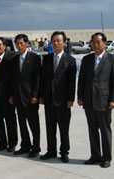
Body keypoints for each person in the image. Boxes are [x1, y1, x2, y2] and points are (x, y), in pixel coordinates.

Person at [77, 32, 114, 168]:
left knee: (105, 130)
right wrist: (80, 97)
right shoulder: (87, 59)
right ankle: (95, 155)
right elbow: (82, 80)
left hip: (104, 101)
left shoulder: (112, 59)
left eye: (98, 42)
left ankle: (106, 157)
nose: (95, 45)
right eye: (93, 42)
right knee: (92, 130)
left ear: (105, 44)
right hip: (89, 101)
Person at [39, 31, 77, 163]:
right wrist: (42, 96)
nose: (56, 43)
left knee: (63, 129)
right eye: (53, 41)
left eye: (58, 41)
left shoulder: (70, 60)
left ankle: (64, 152)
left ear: (64, 43)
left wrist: (70, 99)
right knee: (50, 128)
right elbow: (43, 79)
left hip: (63, 101)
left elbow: (72, 82)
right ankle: (51, 151)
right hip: (49, 100)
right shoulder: (47, 59)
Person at [9, 34, 41, 158]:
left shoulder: (34, 58)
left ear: (27, 43)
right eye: (17, 43)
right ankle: (25, 146)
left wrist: (35, 95)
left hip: (30, 97)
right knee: (22, 123)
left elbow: (37, 78)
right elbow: (13, 79)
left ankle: (36, 147)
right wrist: (12, 95)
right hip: (18, 97)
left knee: (33, 124)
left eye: (21, 43)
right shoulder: (14, 59)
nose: (19, 45)